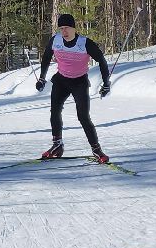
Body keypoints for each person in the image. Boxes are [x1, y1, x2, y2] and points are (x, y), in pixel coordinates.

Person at [35, 13, 112, 163]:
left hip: (79, 82)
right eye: (61, 28)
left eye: (67, 28)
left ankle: (97, 150)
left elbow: (102, 61)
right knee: (54, 111)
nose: (64, 31)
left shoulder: (85, 43)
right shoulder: (56, 40)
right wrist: (42, 78)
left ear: (74, 28)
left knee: (83, 116)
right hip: (61, 80)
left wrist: (106, 83)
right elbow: (45, 58)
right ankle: (57, 145)